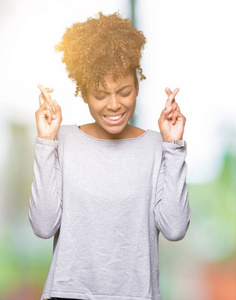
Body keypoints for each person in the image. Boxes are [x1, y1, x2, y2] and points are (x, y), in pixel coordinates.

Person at [28, 12, 190, 300]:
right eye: (100, 95)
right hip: (67, 295)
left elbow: (175, 229)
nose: (114, 105)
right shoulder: (61, 141)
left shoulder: (156, 146)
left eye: (124, 92)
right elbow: (43, 226)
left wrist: (174, 147)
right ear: (84, 94)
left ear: (137, 87)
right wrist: (45, 142)